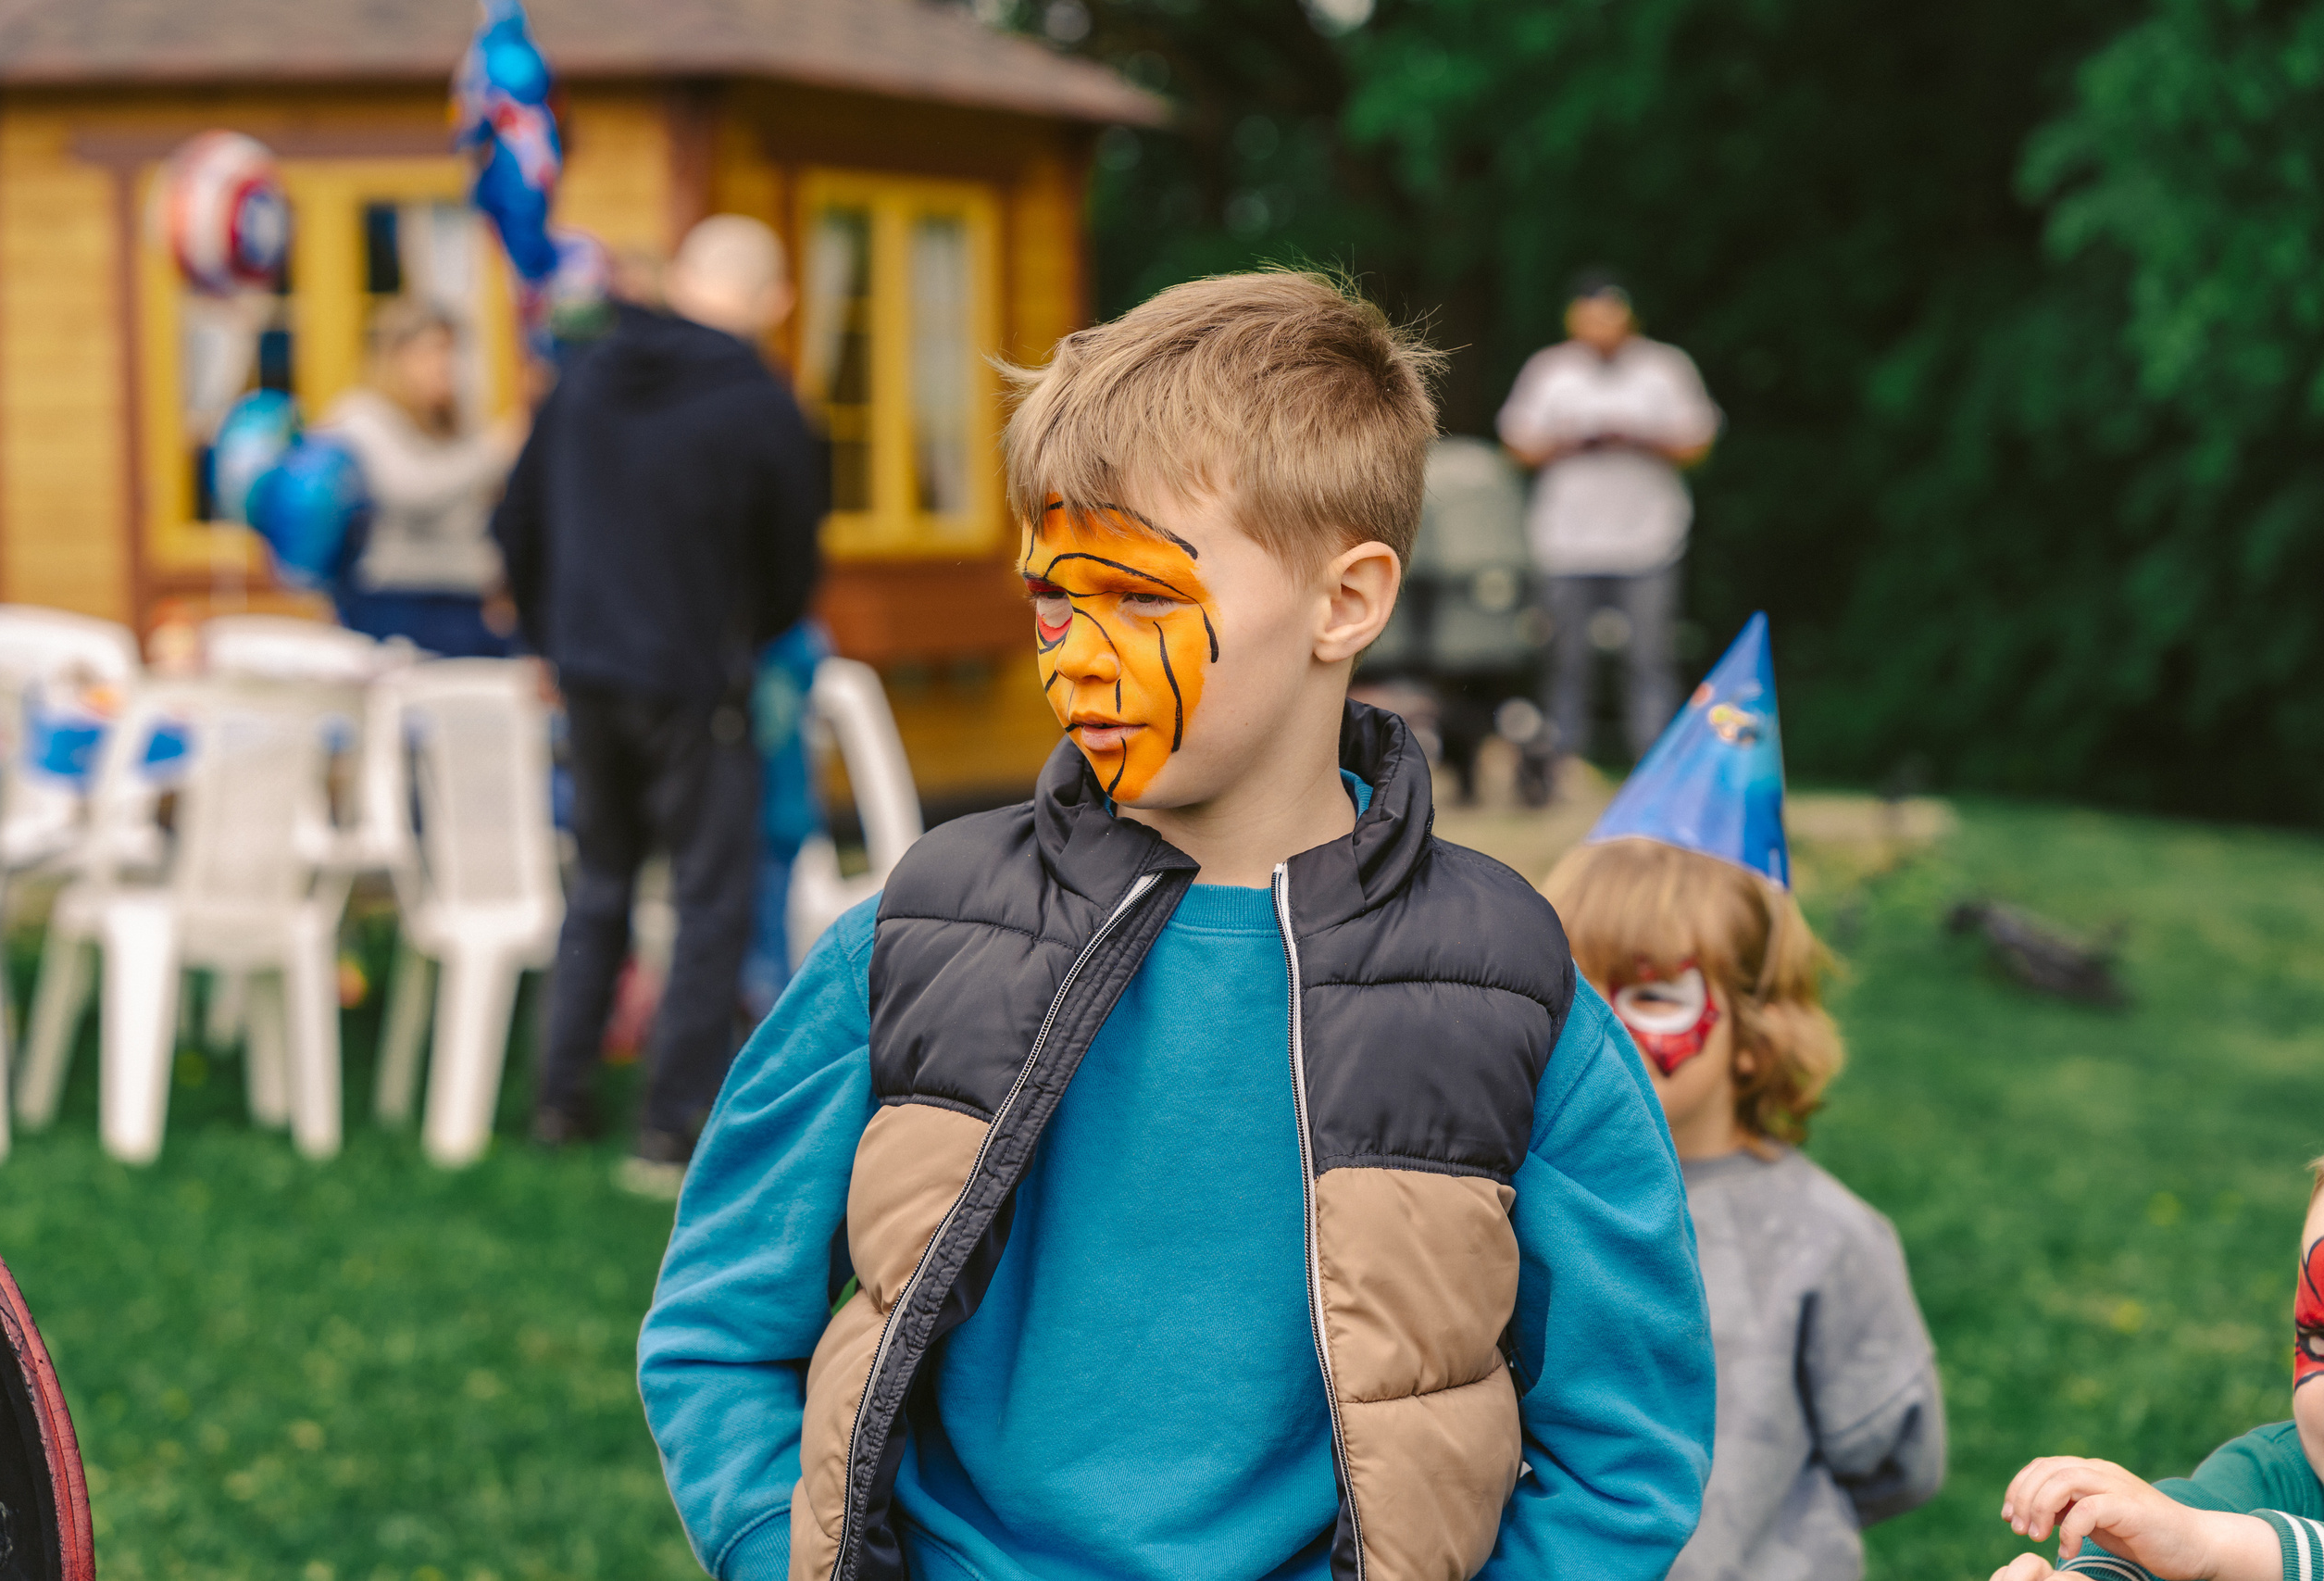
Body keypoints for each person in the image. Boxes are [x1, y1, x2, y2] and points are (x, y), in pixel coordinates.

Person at [639, 270, 1713, 1581]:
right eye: (1054, 599)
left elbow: (1627, 1443)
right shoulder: (914, 935)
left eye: (1143, 597)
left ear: (1348, 601)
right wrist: (779, 1550)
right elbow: (713, 1325)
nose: (1079, 659)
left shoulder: (1506, 990)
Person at [1544, 614, 1945, 1581]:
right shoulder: (1522, 1201)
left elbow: (1893, 1458)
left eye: (1649, 993)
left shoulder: (1827, 1237)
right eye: (1574, 989)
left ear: (1755, 1028)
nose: (1603, 1031)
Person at [493, 214, 822, 1188]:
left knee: (598, 883)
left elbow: (515, 520)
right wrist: (744, 643)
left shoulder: (584, 374)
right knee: (709, 901)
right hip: (696, 682)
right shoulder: (762, 404)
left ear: (681, 279)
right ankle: (669, 1128)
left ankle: (559, 1102)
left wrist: (551, 637)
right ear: (773, 301)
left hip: (587, 673)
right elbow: (792, 568)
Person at [1989, 1161, 2324, 1581]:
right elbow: (2178, 1518)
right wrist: (2097, 1575)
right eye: (2321, 1337)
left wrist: (2217, 1548)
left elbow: (2198, 1538)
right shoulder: (2274, 1472)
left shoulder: (2223, 1539)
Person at [1497, 270, 1718, 763]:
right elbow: (1517, 445)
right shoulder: (1549, 370)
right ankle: (1562, 762)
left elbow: (1698, 441)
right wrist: (1572, 442)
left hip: (1649, 540)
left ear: (1628, 316)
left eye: (1609, 316)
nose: (1600, 327)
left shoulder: (1665, 367)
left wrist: (1639, 438)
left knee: (1650, 657)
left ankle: (1655, 761)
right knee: (1565, 658)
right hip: (1568, 542)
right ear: (1573, 319)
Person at [321, 298, 528, 656]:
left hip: (469, 604)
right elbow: (413, 489)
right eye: (431, 353)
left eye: (451, 353)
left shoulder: (456, 428)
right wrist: (498, 449)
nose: (445, 366)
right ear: (395, 357)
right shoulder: (362, 417)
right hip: (397, 604)